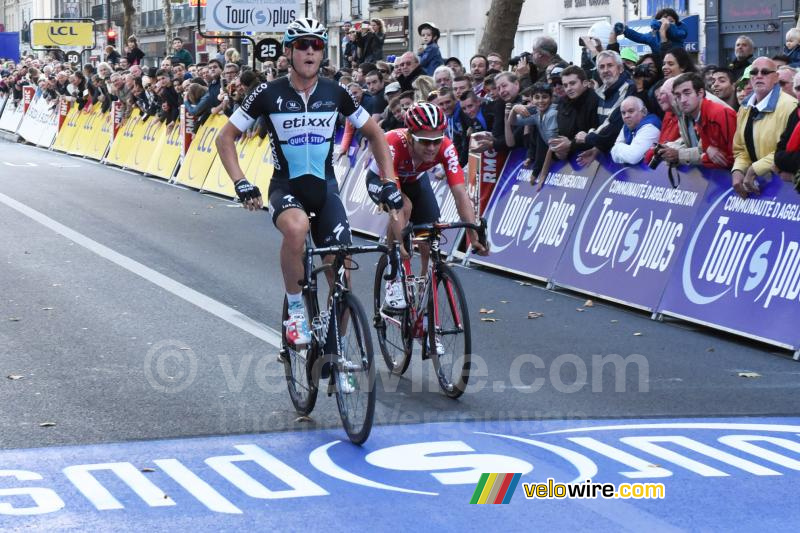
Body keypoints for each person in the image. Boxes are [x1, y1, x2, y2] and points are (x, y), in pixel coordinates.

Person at [216, 18, 397, 346]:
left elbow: (375, 134)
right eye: (302, 44)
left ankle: (335, 352)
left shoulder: (336, 92)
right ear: (289, 51)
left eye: (316, 45)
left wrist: (389, 180)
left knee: (342, 282)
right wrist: (241, 182)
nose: (310, 51)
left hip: (326, 189)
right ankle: (296, 308)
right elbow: (225, 137)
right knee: (297, 228)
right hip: (286, 188)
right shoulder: (267, 93)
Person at [365, 102, 487, 309]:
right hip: (383, 182)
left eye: (436, 141)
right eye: (424, 142)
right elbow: (396, 202)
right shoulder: (393, 143)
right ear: (411, 137)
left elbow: (460, 193)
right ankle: (394, 276)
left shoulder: (446, 147)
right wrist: (401, 246)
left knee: (430, 236)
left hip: (415, 180)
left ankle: (424, 293)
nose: (432, 148)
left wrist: (473, 236)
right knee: (404, 207)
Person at [731, 57, 797, 198]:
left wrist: (755, 168)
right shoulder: (745, 107)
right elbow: (740, 149)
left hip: (786, 189)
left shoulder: (790, 106)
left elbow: (787, 151)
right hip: (759, 189)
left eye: (765, 72)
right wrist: (738, 170)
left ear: (776, 78)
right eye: (754, 72)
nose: (759, 76)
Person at [653, 72, 738, 169]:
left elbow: (729, 158)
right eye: (678, 95)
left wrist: (680, 155)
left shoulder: (718, 113)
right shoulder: (696, 114)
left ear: (700, 93)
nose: (682, 100)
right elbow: (704, 148)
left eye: (687, 93)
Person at [548, 65, 601, 160]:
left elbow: (597, 137)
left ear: (585, 83)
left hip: (588, 160)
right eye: (565, 85)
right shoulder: (562, 102)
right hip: (565, 162)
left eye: (572, 83)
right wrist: (558, 150)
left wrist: (571, 144)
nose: (568, 88)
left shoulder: (595, 102)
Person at [613, 8, 687, 57]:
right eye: (663, 21)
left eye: (671, 21)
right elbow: (639, 37)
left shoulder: (679, 34)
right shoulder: (653, 36)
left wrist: (667, 28)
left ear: (676, 23)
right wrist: (625, 30)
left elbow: (680, 33)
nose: (666, 23)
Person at [610, 96, 661, 165]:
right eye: (623, 113)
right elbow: (613, 153)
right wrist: (622, 151)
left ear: (644, 112)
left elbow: (633, 157)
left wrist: (618, 148)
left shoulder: (650, 127)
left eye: (631, 111)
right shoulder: (628, 125)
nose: (626, 116)